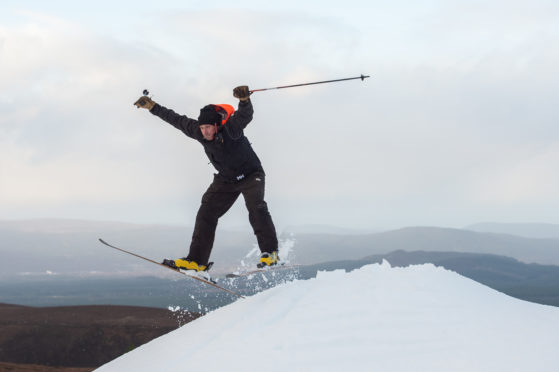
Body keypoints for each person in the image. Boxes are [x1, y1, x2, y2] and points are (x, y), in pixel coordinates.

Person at [134, 86, 279, 272]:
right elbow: (176, 119)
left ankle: (270, 253)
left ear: (217, 125)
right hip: (226, 180)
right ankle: (196, 261)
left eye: (208, 127)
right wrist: (153, 107)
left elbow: (245, 116)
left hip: (251, 175)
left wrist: (244, 101)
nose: (205, 132)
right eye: (202, 127)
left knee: (256, 207)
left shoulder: (231, 129)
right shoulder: (198, 132)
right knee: (206, 213)